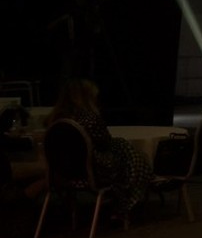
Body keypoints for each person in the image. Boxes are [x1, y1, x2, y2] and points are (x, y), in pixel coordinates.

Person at [45, 79, 152, 222]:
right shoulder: (90, 119)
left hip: (63, 172)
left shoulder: (55, 119)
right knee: (128, 153)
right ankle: (126, 201)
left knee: (123, 147)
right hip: (92, 173)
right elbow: (105, 143)